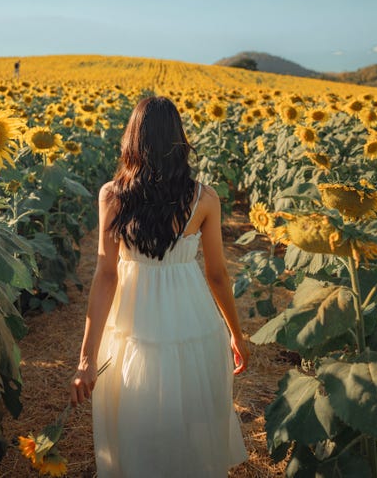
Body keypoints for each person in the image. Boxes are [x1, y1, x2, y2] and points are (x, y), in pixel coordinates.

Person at [69, 96, 250, 477]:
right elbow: (217, 275)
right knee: (191, 417)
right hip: (191, 316)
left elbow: (105, 274)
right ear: (179, 140)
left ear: (133, 140)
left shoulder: (113, 196)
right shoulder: (204, 198)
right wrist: (235, 333)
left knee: (136, 414)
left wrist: (87, 358)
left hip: (133, 316)